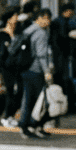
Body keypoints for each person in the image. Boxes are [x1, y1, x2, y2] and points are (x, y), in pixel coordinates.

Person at [18, 8, 55, 139]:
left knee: (28, 99)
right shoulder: (41, 33)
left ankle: (26, 126)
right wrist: (47, 71)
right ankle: (36, 125)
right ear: (40, 18)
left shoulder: (28, 30)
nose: (49, 21)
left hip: (26, 68)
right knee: (40, 100)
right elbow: (41, 55)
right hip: (36, 70)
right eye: (47, 18)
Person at [0, 8, 23, 128]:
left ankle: (10, 116)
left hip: (17, 67)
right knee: (10, 92)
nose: (17, 18)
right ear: (9, 19)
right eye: (15, 16)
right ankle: (6, 117)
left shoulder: (18, 34)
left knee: (18, 91)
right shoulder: (1, 35)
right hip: (6, 68)